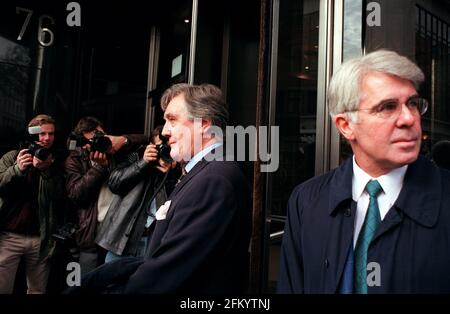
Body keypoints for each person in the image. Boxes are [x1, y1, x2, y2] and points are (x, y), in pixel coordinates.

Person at [278, 50, 450, 293]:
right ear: (346, 125)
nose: (409, 118)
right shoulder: (306, 201)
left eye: (412, 103)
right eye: (388, 107)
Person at [66, 83, 251, 294]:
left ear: (204, 124)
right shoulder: (204, 172)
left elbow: (171, 271)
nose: (164, 131)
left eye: (172, 120)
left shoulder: (214, 180)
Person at [64, 116, 148, 276]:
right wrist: (98, 169)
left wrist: (123, 140)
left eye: (99, 137)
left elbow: (149, 140)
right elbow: (76, 194)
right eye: (91, 140)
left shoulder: (118, 151)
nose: (97, 143)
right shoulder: (75, 159)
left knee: (114, 283)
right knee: (88, 284)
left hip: (118, 230)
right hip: (92, 233)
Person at [0, 114, 65, 294]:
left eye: (51, 134)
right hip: (9, 236)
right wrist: (17, 169)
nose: (46, 139)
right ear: (32, 134)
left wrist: (46, 172)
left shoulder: (55, 162)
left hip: (41, 238)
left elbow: (60, 197)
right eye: (42, 134)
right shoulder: (12, 157)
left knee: (37, 290)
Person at [96, 126, 180, 262]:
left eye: (167, 147)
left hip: (154, 242)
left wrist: (172, 174)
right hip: (124, 241)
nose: (164, 150)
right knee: (111, 281)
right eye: (159, 147)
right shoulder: (137, 156)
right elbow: (114, 183)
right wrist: (144, 163)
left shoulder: (178, 166)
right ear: (150, 146)